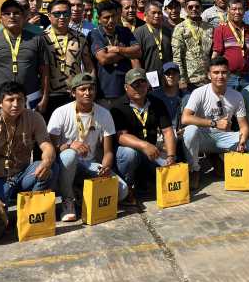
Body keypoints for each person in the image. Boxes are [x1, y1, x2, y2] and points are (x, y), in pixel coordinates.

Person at [48, 72, 129, 221]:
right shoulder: (60, 113)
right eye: (82, 89)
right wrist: (69, 145)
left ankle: (80, 191)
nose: (87, 93)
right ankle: (68, 201)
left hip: (90, 164)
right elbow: (50, 148)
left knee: (122, 191)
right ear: (73, 93)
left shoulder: (104, 113)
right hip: (65, 164)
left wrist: (105, 166)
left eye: (91, 89)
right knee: (70, 155)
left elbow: (108, 151)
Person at [0, 81, 59, 211]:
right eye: (10, 100)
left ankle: (31, 210)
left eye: (20, 99)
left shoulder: (35, 118)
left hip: (21, 175)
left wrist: (47, 161)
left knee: (51, 168)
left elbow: (46, 145)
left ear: (25, 101)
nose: (16, 104)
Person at [181, 58, 249, 189]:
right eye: (216, 72)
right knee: (190, 131)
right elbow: (185, 118)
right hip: (204, 137)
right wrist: (214, 123)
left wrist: (242, 141)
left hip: (224, 137)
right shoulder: (199, 92)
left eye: (224, 72)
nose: (220, 76)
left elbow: (244, 126)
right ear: (209, 75)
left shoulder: (236, 96)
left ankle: (218, 159)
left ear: (229, 74)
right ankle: (194, 170)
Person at [0, 0, 51, 112]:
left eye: (16, 13)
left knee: (28, 129)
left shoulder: (36, 40)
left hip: (29, 99)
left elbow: (45, 70)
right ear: (0, 18)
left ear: (24, 17)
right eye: (7, 13)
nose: (12, 16)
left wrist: (44, 98)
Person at [112, 69, 177, 198]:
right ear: (126, 87)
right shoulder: (117, 106)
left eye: (142, 83)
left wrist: (171, 156)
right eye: (135, 85)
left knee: (170, 166)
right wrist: (144, 145)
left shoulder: (156, 102)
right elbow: (121, 136)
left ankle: (145, 180)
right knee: (130, 154)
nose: (139, 88)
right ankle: (127, 186)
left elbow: (167, 131)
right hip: (130, 152)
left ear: (147, 85)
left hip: (152, 152)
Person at [41, 0, 92, 121]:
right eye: (57, 14)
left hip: (74, 93)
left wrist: (89, 89)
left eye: (66, 13)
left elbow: (89, 67)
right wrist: (43, 97)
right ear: (49, 15)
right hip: (50, 95)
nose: (62, 17)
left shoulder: (80, 37)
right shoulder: (41, 39)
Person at [90, 0, 142, 108]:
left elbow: (137, 52)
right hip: (105, 93)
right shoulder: (95, 34)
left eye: (114, 16)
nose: (111, 20)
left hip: (126, 90)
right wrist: (127, 52)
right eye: (106, 17)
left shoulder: (125, 31)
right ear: (99, 19)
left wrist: (118, 49)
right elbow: (104, 59)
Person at [211, 0, 249, 92]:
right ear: (228, 10)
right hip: (229, 77)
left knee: (246, 105)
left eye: (240, 9)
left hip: (247, 77)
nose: (237, 12)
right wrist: (213, 75)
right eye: (234, 9)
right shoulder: (221, 29)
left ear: (244, 11)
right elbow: (216, 54)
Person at [172, 0, 215, 94]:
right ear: (186, 9)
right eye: (190, 7)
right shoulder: (180, 28)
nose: (194, 9)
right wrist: (181, 79)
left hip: (207, 78)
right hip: (190, 80)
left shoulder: (210, 27)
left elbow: (213, 53)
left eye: (197, 7)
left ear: (201, 8)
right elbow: (177, 57)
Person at [134, 1, 174, 79]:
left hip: (168, 76)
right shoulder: (139, 32)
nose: (157, 15)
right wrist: (141, 78)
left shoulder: (168, 31)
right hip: (148, 77)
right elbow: (135, 59)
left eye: (159, 13)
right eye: (153, 13)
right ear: (145, 15)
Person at [151, 61, 187, 139]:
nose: (171, 76)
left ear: (179, 76)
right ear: (162, 76)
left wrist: (185, 129)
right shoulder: (153, 96)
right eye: (167, 73)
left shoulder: (187, 96)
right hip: (160, 135)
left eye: (174, 73)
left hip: (181, 133)